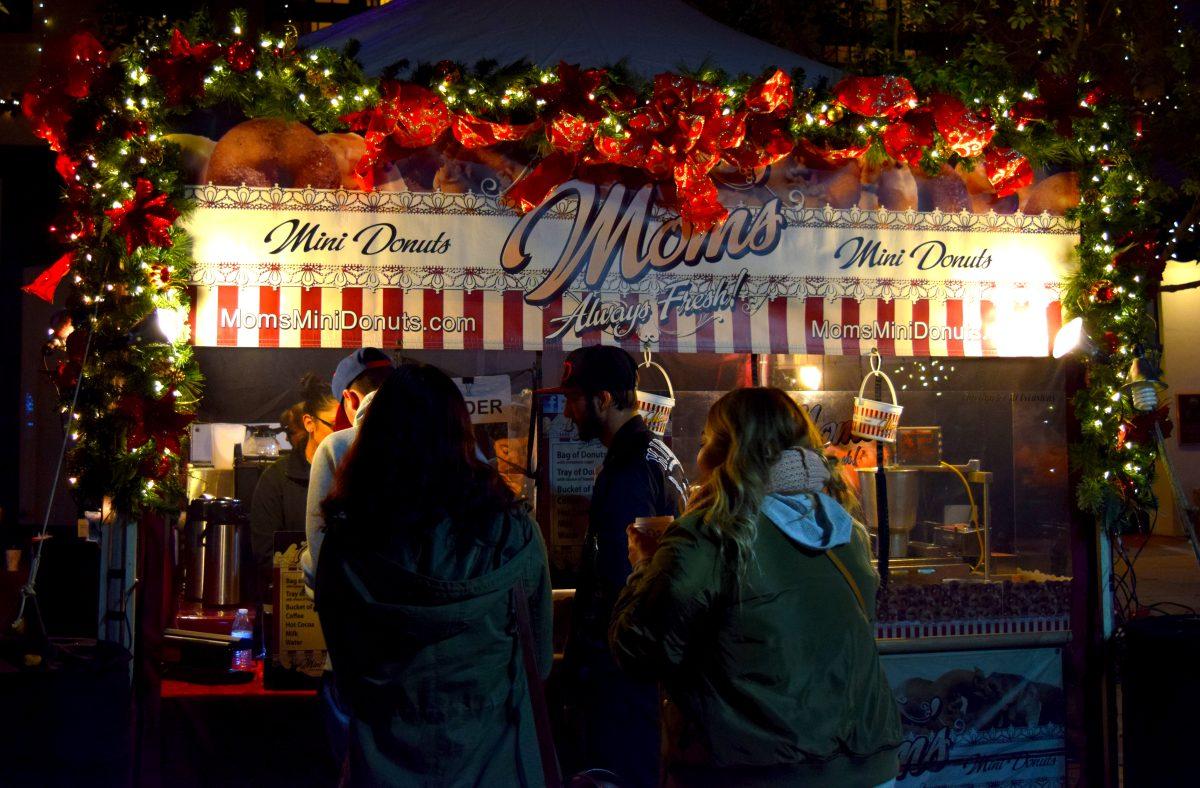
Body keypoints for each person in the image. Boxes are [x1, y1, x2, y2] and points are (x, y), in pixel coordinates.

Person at [609, 387, 902, 788]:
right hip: (868, 766)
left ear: (721, 451)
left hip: (759, 772)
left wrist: (645, 566)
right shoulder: (845, 528)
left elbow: (640, 649)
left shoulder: (709, 533)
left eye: (705, 442)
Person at [315, 363, 553, 787]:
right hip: (498, 765)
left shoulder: (347, 543)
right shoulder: (515, 534)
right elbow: (539, 656)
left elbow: (346, 673)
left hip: (384, 766)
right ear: (461, 433)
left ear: (376, 438)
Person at [546, 345, 688, 788]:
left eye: (574, 400)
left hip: (626, 666)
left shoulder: (628, 470)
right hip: (646, 659)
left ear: (603, 400)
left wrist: (586, 659)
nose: (568, 413)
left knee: (621, 772)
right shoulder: (653, 454)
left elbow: (624, 578)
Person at [301, 347, 393, 767]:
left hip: (359, 650)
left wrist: (304, 563)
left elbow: (323, 565)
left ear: (350, 400)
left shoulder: (338, 448)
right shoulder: (448, 444)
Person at [249, 374, 339, 602]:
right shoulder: (277, 479)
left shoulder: (357, 477)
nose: (343, 434)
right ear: (309, 423)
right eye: (335, 425)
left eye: (348, 426)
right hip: (293, 606)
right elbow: (266, 553)